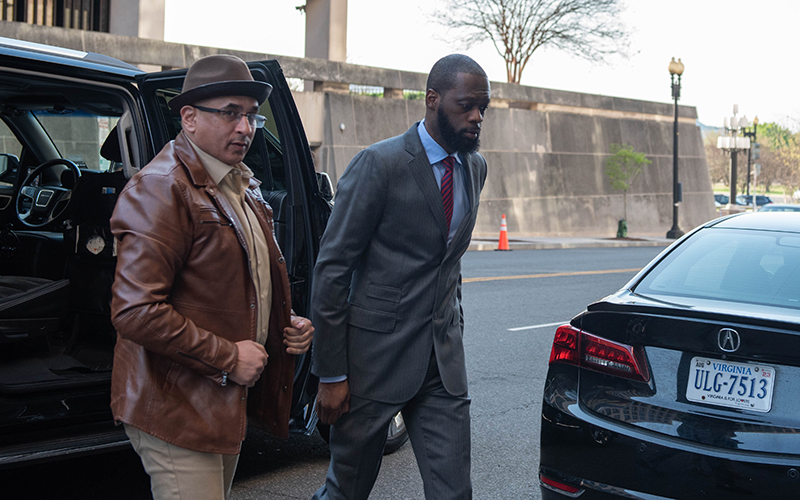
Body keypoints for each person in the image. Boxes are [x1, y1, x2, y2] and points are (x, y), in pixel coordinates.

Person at [109, 54, 314, 500]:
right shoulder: (161, 188)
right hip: (176, 405)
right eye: (230, 113)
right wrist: (227, 357)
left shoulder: (244, 184)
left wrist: (289, 324)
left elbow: (244, 280)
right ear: (189, 118)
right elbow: (135, 311)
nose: (245, 127)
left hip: (219, 402)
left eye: (252, 116)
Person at [310, 54, 491, 500]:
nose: (476, 117)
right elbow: (333, 269)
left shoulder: (475, 167)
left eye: (483, 108)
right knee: (346, 491)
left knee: (454, 492)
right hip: (374, 362)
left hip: (442, 368)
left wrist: (455, 325)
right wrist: (331, 374)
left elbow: (449, 260)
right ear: (432, 99)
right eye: (466, 105)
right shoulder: (380, 164)